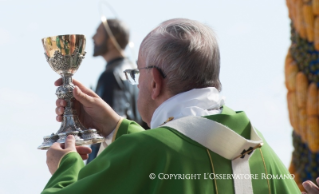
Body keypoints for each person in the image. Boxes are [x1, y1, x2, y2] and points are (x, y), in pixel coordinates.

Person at [42, 18, 300, 194]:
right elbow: (184, 147)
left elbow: (161, 153)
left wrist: (65, 168)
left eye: (137, 75)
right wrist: (116, 127)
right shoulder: (258, 150)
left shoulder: (147, 153)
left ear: (154, 82)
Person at [87, 19, 144, 163]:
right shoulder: (135, 72)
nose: (93, 37)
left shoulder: (111, 75)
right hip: (136, 158)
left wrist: (90, 173)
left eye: (98, 33)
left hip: (115, 166)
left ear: (111, 41)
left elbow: (110, 127)